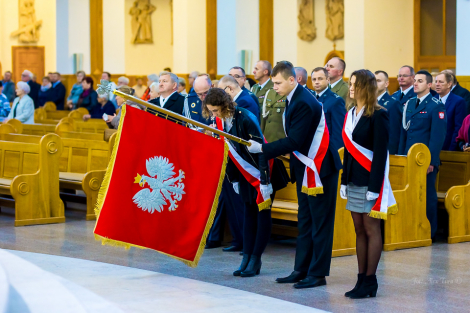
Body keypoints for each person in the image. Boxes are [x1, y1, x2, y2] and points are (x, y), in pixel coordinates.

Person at [247, 61, 342, 289]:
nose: (274, 87)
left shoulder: (303, 102)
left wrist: (263, 148)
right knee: (305, 220)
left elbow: (295, 141)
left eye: (278, 82)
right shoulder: (292, 98)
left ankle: (317, 273)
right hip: (305, 168)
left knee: (320, 223)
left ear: (293, 80)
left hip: (320, 169)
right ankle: (301, 269)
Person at [202, 88, 273, 277]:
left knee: (262, 215)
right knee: (248, 214)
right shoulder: (221, 121)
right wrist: (233, 178)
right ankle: (246, 257)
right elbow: (228, 152)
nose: (213, 114)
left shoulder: (246, 117)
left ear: (225, 105)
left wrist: (265, 181)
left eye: (216, 110)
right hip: (243, 173)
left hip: (260, 171)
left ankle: (256, 259)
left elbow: (261, 150)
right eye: (211, 111)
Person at [340, 69, 391, 299]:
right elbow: (348, 153)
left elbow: (380, 154)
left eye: (355, 84)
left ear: (365, 87)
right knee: (358, 230)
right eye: (350, 84)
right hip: (353, 179)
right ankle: (360, 279)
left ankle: (371, 280)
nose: (351, 88)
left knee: (371, 229)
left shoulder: (378, 114)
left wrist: (374, 187)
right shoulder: (350, 113)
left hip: (370, 181)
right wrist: (343, 180)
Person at [398, 70, 447, 240]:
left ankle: (430, 231)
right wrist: (401, 157)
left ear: (429, 85)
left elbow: (437, 137)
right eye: (415, 80)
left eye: (420, 81)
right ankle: (413, 229)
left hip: (425, 161)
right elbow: (404, 133)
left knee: (427, 195)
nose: (416, 83)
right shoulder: (410, 103)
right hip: (409, 158)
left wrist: (431, 161)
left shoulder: (436, 105)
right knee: (411, 195)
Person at [311, 67, 346, 151]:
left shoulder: (336, 101)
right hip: (311, 148)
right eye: (314, 79)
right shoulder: (310, 98)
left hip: (326, 149)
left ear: (328, 80)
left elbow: (338, 133)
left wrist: (335, 155)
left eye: (320, 79)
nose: (316, 82)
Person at [434, 72, 466, 151]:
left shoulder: (458, 101)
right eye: (436, 81)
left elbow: (458, 128)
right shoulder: (432, 100)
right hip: (432, 148)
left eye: (441, 82)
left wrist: (451, 149)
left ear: (449, 84)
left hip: (448, 148)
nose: (437, 84)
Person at [375, 70, 402, 154]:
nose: (375, 84)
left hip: (385, 152)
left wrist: (391, 154)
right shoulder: (369, 102)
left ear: (386, 84)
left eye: (378, 81)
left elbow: (394, 133)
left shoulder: (393, 103)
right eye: (373, 81)